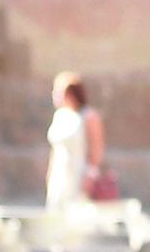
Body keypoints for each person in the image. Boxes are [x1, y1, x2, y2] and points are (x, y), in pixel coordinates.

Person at [45, 71, 106, 208]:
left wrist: (90, 177)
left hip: (79, 174)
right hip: (60, 175)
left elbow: (96, 148)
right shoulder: (60, 115)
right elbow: (56, 149)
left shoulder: (89, 116)